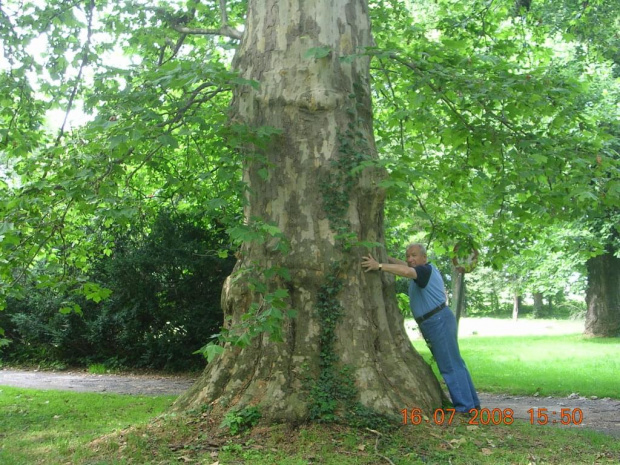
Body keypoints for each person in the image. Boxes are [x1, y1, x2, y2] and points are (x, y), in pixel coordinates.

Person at [361, 243, 480, 413]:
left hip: (438, 321)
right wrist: (387, 258)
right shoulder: (425, 270)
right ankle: (472, 405)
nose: (410, 259)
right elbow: (405, 266)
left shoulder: (423, 270)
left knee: (450, 366)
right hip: (437, 321)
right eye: (408, 255)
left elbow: (407, 271)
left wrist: (379, 266)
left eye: (414, 255)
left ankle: (466, 409)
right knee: (455, 363)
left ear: (424, 257)